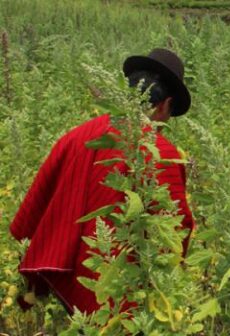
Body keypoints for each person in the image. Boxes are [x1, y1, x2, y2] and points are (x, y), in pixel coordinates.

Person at [9, 48, 195, 314]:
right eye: (170, 112)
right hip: (122, 289)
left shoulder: (79, 134)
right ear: (165, 104)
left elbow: (38, 199)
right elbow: (176, 227)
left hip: (74, 274)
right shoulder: (160, 151)